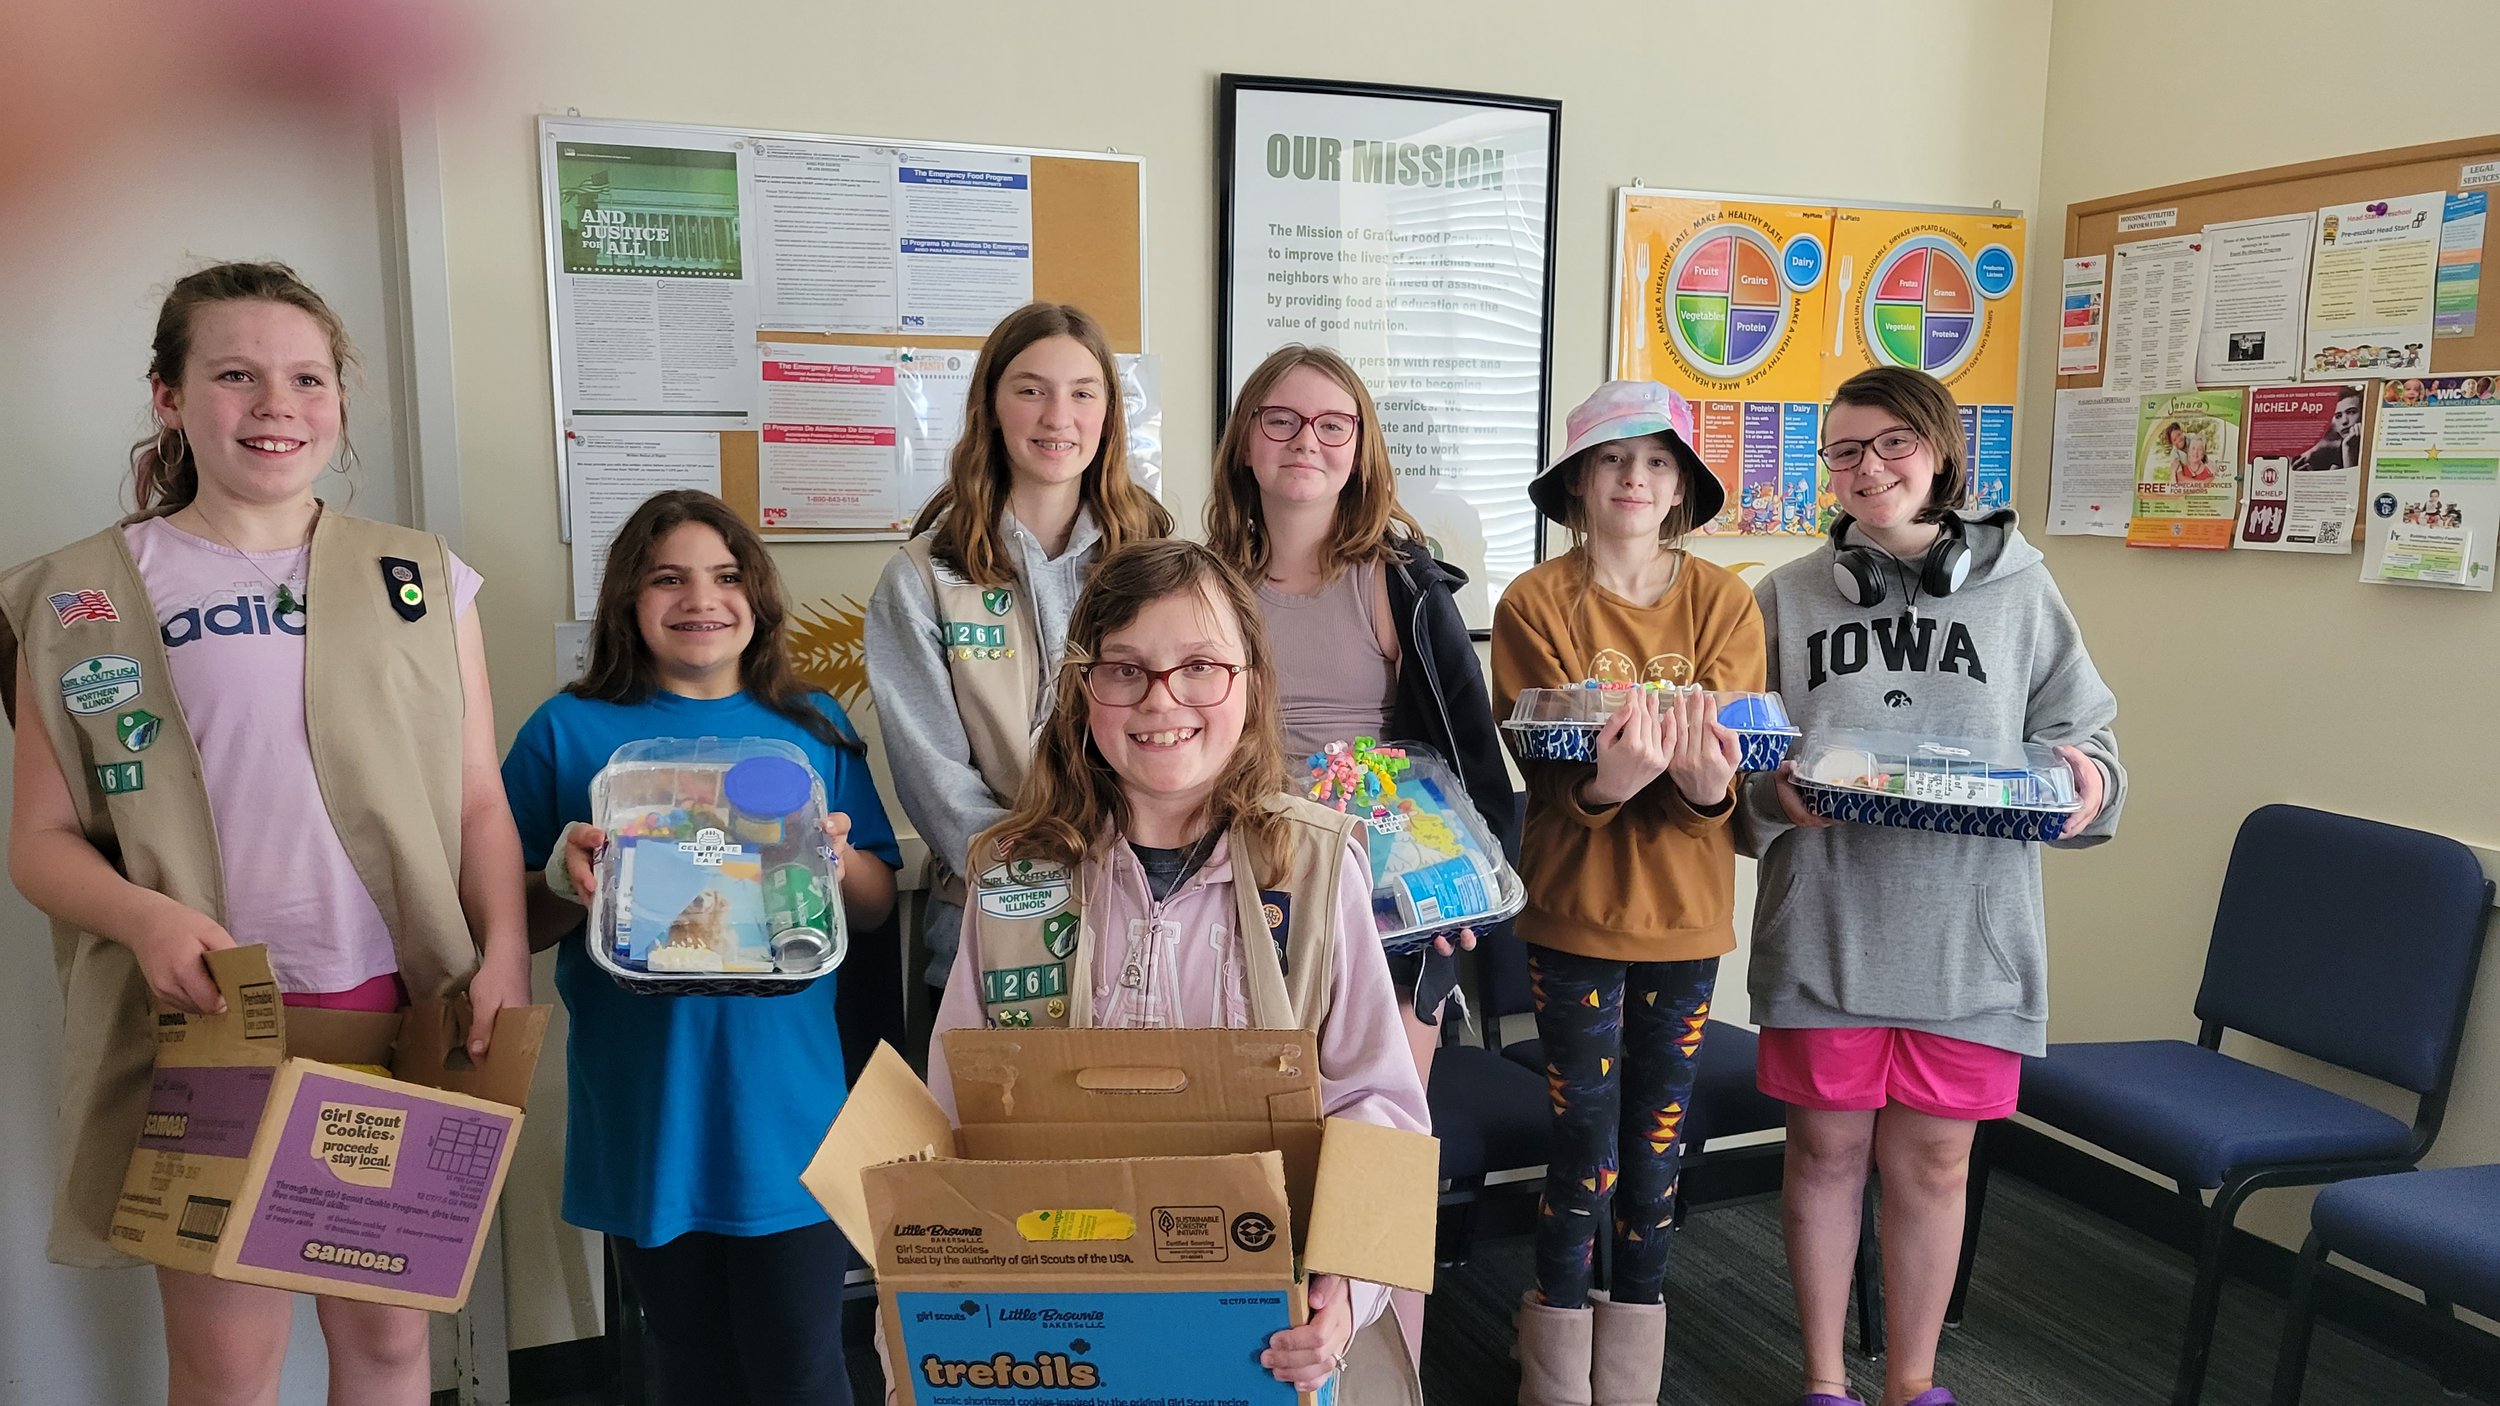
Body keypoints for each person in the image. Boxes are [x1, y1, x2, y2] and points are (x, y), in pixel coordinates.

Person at [1, 261, 531, 1405]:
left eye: (304, 377)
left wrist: (497, 952)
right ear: (169, 397)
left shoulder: (419, 577)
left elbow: (476, 795)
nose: (275, 404)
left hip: (388, 1011)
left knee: (390, 1346)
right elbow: (38, 838)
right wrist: (143, 916)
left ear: (336, 400)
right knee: (228, 1365)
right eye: (235, 375)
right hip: (208, 1024)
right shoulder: (85, 591)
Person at [926, 538, 1429, 1403]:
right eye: (1124, 670)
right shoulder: (1015, 877)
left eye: (1200, 666)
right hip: (1063, 1319)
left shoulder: (1314, 869)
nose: (1163, 702)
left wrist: (1344, 1292)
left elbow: (1376, 1101)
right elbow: (953, 1103)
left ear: (1253, 685)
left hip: (1260, 1315)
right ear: (1085, 692)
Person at [1740, 366, 2125, 1406]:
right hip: (1825, 924)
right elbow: (1736, 785)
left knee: (1935, 1166)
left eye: (1893, 444)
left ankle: (1913, 1380)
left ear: (1941, 454)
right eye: (1845, 451)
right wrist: (1775, 795)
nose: (1870, 468)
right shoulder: (1782, 594)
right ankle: (1823, 1376)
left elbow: (2091, 746)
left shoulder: (2023, 592)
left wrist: (2087, 779)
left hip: (1971, 940)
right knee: (1823, 1153)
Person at [505, 490, 897, 1406]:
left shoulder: (812, 729)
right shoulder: (565, 731)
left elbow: (875, 908)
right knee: (685, 1364)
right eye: (667, 577)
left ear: (756, 595)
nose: (700, 598)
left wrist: (837, 860)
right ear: (626, 601)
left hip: (787, 1107)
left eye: (725, 576)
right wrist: (567, 879)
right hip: (646, 1105)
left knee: (802, 1363)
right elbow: (508, 921)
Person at [1205, 344, 1515, 1362]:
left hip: (1391, 917)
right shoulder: (1199, 583)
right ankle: (1253, 1366)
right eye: (1283, 419)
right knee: (1255, 1161)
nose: (1306, 440)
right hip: (1237, 910)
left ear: (1360, 448)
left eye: (1332, 423)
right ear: (1246, 440)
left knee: (1375, 1167)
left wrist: (1465, 896)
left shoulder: (1400, 584)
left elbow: (1473, 770)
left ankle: (1389, 1372)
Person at [1490, 381, 1765, 1406]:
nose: (1634, 478)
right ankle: (1554, 1356)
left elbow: (1724, 772)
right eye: (1612, 460)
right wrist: (1610, 779)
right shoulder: (1533, 603)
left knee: (1657, 1146)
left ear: (1682, 485)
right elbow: (1547, 764)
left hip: (1684, 921)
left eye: (1655, 461)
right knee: (1582, 1142)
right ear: (1576, 482)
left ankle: (1633, 1368)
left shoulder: (1725, 601)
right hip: (1571, 917)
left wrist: (1700, 785)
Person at [866, 302, 1171, 1002]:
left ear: (1109, 414)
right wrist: (1035, 879)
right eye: (1031, 389)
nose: (1057, 416)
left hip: (1148, 901)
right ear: (991, 408)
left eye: (1082, 393)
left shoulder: (1157, 559)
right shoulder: (922, 579)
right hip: (992, 911)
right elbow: (936, 779)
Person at [2295, 388, 2365, 471]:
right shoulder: (2345, 443)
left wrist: (2348, 449)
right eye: (2338, 416)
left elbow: (2350, 481)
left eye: (2351, 412)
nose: (2344, 421)